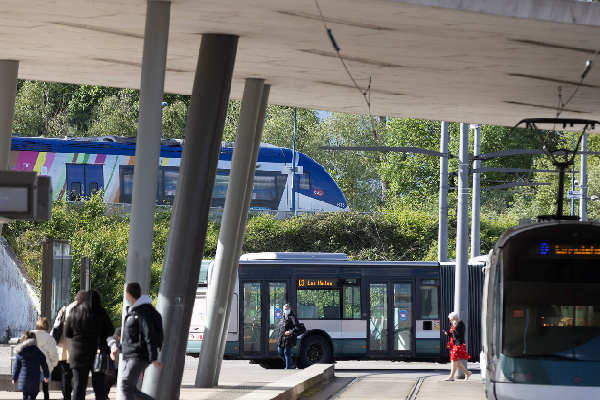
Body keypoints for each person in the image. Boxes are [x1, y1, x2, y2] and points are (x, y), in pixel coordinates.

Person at [65, 290, 114, 400]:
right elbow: (110, 330)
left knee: (79, 386)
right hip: (97, 354)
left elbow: (67, 333)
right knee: (99, 388)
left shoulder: (75, 311)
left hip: (78, 354)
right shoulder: (101, 312)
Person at [120, 282, 163, 400]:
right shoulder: (135, 310)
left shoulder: (142, 311)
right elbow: (130, 337)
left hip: (138, 355)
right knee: (131, 388)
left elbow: (149, 334)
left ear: (128, 294)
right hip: (133, 354)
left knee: (126, 385)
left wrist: (153, 357)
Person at [53, 295, 82, 400]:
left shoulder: (64, 310)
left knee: (66, 374)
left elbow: (56, 326)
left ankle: (66, 396)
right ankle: (69, 396)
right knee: (74, 374)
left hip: (63, 347)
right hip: (74, 347)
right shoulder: (78, 309)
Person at [12, 331, 50, 400]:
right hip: (35, 380)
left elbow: (16, 367)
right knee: (32, 396)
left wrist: (14, 378)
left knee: (25, 396)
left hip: (24, 381)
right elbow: (44, 364)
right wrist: (46, 375)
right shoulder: (38, 351)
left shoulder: (20, 351)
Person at [32, 318, 59, 400]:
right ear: (47, 326)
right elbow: (53, 354)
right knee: (45, 389)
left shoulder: (31, 335)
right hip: (46, 367)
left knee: (33, 388)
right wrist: (53, 365)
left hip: (33, 366)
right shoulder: (49, 338)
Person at [442, 311, 472, 381]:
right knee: (455, 361)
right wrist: (447, 333)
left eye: (451, 319)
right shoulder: (454, 324)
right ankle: (467, 373)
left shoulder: (461, 324)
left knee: (454, 360)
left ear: (455, 318)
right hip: (454, 345)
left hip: (459, 344)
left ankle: (452, 377)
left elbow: (458, 334)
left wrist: (455, 327)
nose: (450, 321)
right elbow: (452, 334)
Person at [277, 304, 301, 369]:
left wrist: (290, 331)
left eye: (287, 309)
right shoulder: (282, 317)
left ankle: (288, 368)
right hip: (281, 338)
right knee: (280, 352)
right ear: (283, 310)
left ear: (290, 309)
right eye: (285, 309)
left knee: (286, 352)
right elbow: (280, 328)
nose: (286, 310)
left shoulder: (292, 317)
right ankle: (291, 364)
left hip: (289, 338)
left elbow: (297, 327)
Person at [105, 327, 121, 398]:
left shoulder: (112, 339)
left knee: (111, 380)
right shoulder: (113, 340)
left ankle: (105, 395)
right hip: (111, 365)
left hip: (112, 365)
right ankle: (105, 395)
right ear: (118, 336)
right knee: (110, 380)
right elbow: (113, 349)